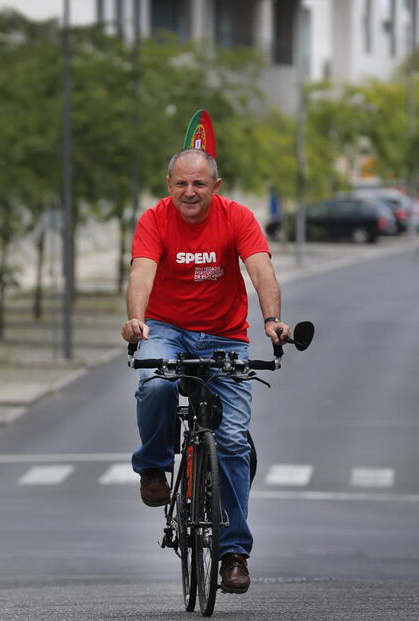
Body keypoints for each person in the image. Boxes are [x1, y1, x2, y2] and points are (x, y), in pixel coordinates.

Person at [120, 148, 290, 595]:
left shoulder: (238, 218)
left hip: (225, 335)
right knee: (154, 383)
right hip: (166, 330)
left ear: (215, 186)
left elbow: (261, 271)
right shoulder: (154, 220)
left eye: (198, 184)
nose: (189, 192)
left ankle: (233, 553)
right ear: (169, 185)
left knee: (233, 439)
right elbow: (142, 271)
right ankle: (154, 468)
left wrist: (272, 321)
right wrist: (137, 319)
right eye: (181, 184)